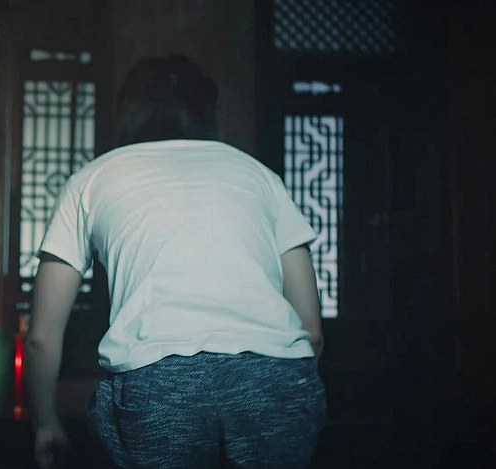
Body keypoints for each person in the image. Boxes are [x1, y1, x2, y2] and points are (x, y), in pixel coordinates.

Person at [25, 55, 326, 469]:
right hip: (277, 378)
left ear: (127, 111)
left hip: (158, 384)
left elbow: (42, 337)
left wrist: (45, 423)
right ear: (209, 111)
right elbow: (312, 331)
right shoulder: (261, 177)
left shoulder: (91, 180)